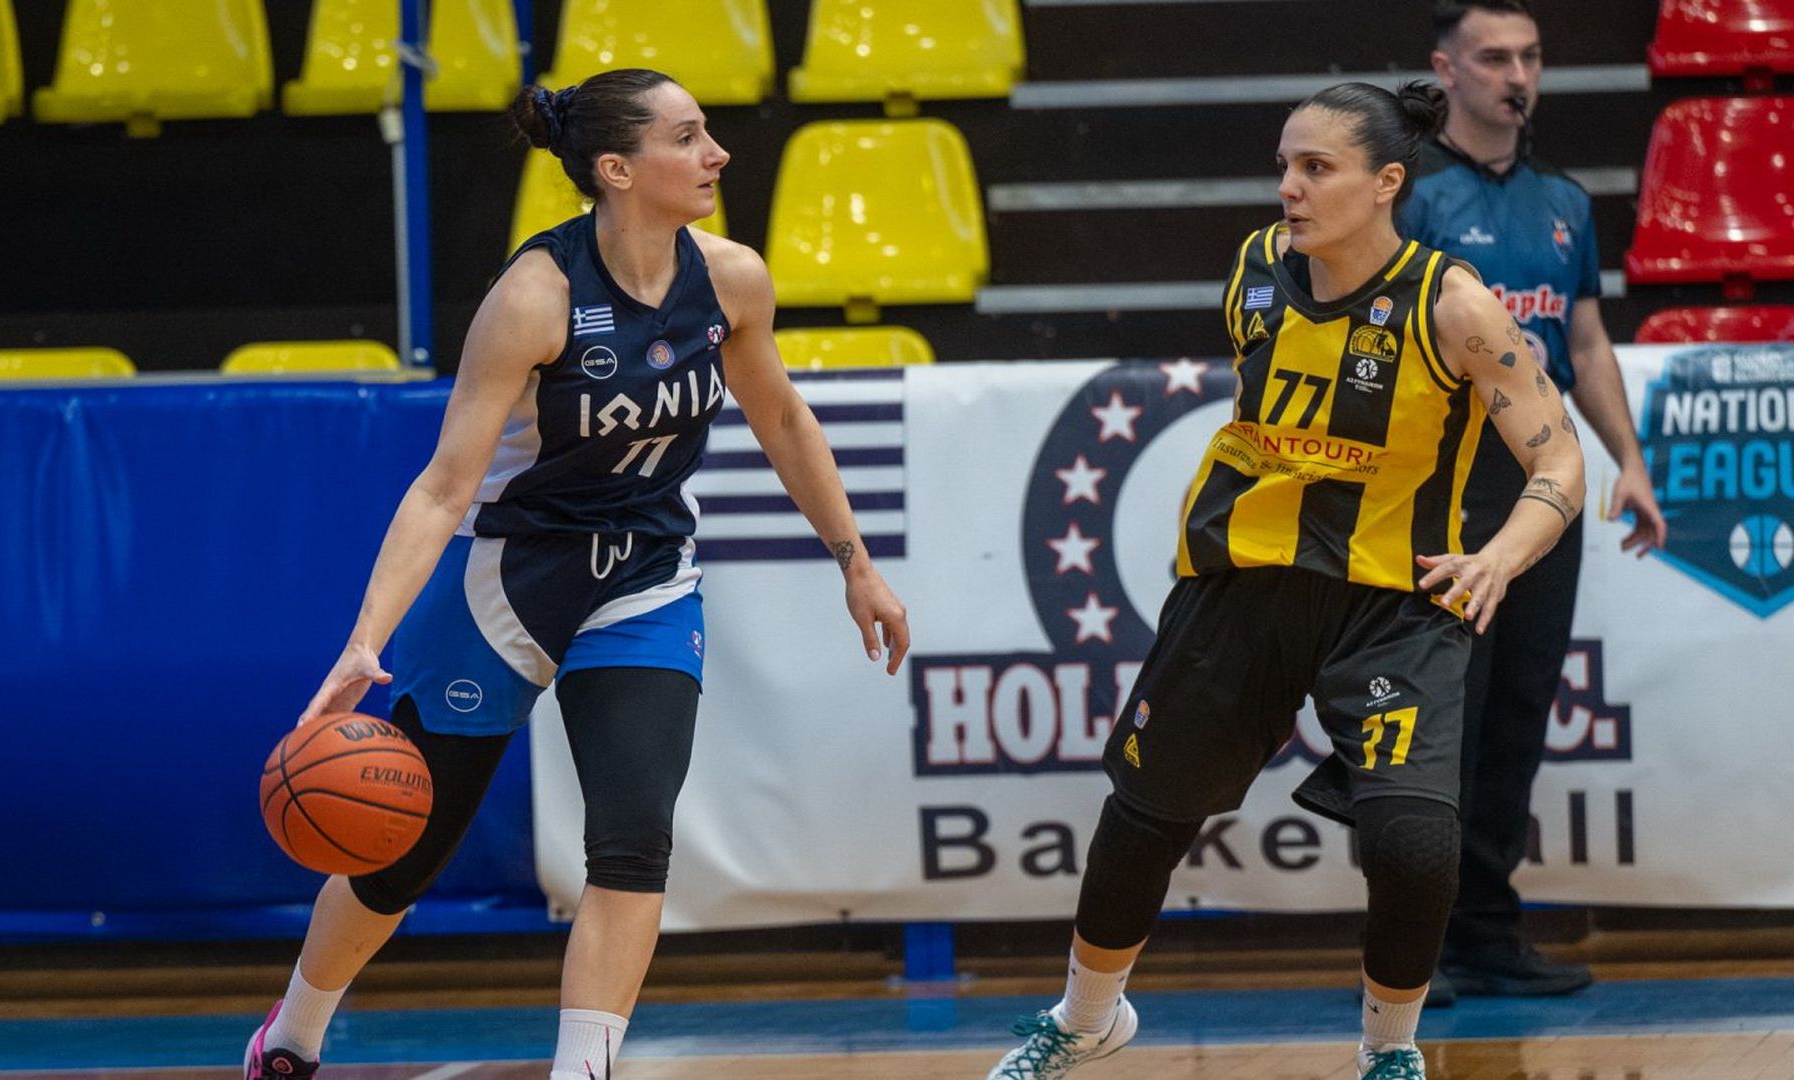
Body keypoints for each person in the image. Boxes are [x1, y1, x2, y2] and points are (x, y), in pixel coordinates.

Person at [241, 68, 911, 1080]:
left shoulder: (731, 280)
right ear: (616, 169)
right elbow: (442, 488)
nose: (717, 154)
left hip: (644, 579)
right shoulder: (535, 296)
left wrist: (855, 564)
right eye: (687, 137)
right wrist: (364, 640)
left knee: (634, 842)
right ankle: (292, 1034)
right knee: (401, 847)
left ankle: (582, 1070)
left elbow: (781, 418)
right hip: (510, 580)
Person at [986, 81, 1585, 1080]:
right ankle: (1086, 1019)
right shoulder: (1257, 268)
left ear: (1385, 182)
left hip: (1393, 603)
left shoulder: (1453, 305)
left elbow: (1559, 458)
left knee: (1412, 843)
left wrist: (1498, 557)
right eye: (1284, 167)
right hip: (1244, 587)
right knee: (1145, 814)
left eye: (1316, 168)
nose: (1289, 188)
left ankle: (1390, 1052)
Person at [1400, 0, 1666, 1004]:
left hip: (1544, 481)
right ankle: (1411, 945)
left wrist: (1628, 461)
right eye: (1494, 57)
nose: (1518, 75)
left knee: (1517, 711)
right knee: (1440, 718)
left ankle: (1485, 934)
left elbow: (1585, 343)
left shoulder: (1563, 200)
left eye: (1531, 56)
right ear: (1446, 70)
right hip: (1442, 483)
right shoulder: (1410, 194)